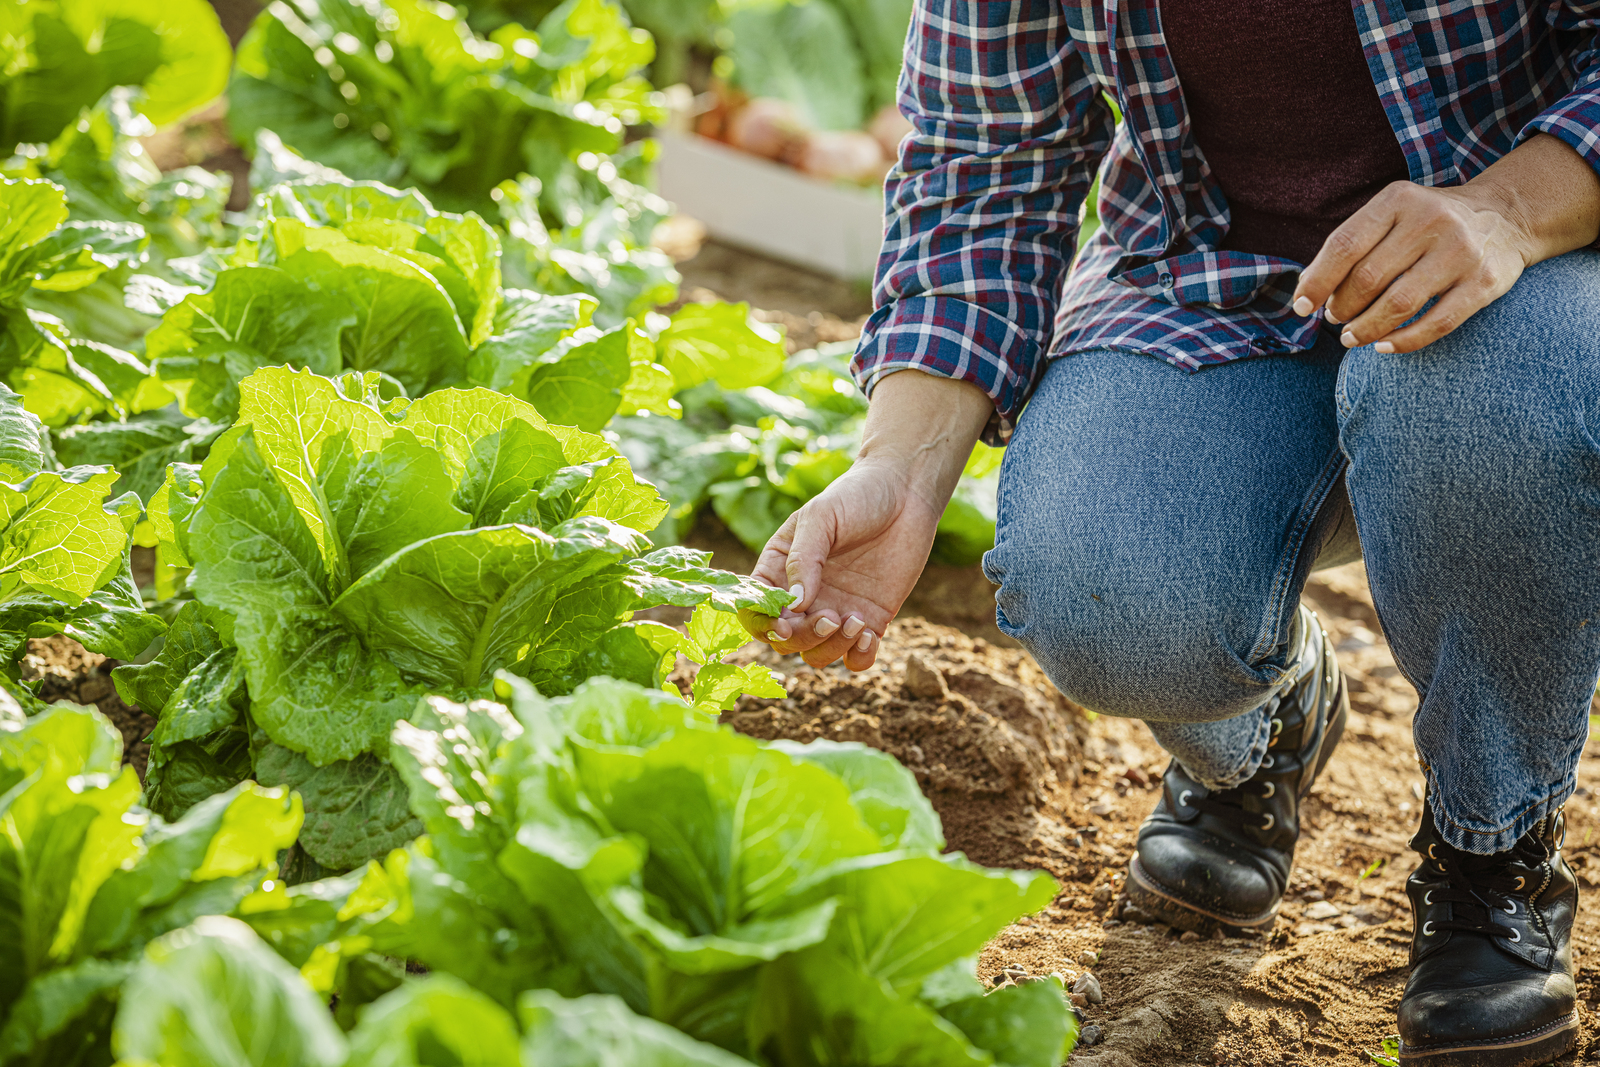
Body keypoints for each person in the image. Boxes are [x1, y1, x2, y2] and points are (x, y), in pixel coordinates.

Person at [738, 1, 1600, 1063]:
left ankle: (1492, 849)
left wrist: (1508, 210)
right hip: (1205, 280)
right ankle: (1269, 722)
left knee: (1494, 401)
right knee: (1102, 588)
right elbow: (980, 167)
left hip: (1529, 274)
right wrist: (900, 469)